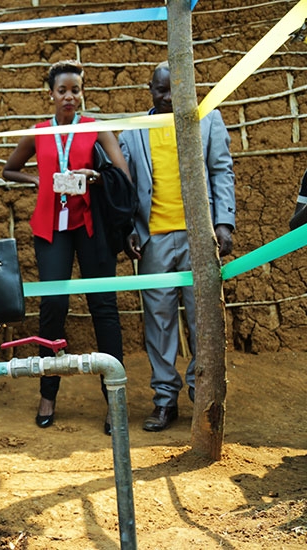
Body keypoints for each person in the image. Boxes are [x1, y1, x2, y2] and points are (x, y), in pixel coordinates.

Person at [2, 60, 130, 435]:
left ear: (81, 92)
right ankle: (48, 395)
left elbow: (122, 174)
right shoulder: (39, 132)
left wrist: (94, 176)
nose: (69, 97)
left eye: (75, 90)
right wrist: (39, 181)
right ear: (51, 94)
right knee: (54, 306)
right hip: (51, 228)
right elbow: (9, 169)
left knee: (103, 306)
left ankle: (114, 400)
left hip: (90, 226)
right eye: (62, 91)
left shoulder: (95, 128)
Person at [119, 61, 236, 431]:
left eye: (175, 89)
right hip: (153, 239)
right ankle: (164, 400)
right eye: (161, 90)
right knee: (159, 322)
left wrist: (223, 223)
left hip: (200, 237)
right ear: (150, 90)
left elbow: (221, 170)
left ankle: (202, 396)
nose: (168, 97)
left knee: (203, 320)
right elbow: (126, 185)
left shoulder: (208, 120)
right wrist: (129, 228)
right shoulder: (135, 131)